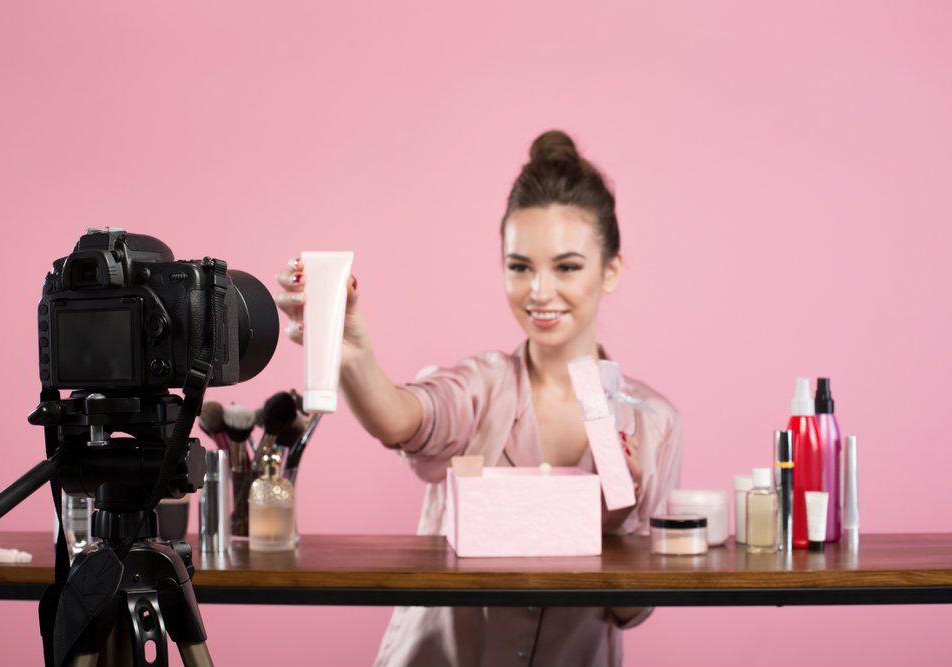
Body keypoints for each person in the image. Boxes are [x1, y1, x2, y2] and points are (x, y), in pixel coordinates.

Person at [274, 130, 683, 667]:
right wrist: (350, 352)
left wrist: (614, 525)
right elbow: (402, 418)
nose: (539, 291)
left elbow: (632, 610)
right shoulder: (483, 387)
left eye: (567, 266)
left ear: (610, 271)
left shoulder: (652, 423)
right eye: (519, 266)